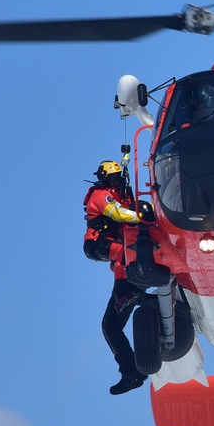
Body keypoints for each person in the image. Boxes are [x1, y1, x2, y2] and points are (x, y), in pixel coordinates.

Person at [83, 159, 146, 396]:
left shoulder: (122, 197)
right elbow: (118, 213)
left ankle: (132, 373)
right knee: (124, 252)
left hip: (121, 253)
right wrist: (144, 216)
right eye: (115, 179)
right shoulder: (101, 195)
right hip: (97, 245)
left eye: (120, 178)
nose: (118, 183)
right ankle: (130, 293)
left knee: (110, 325)